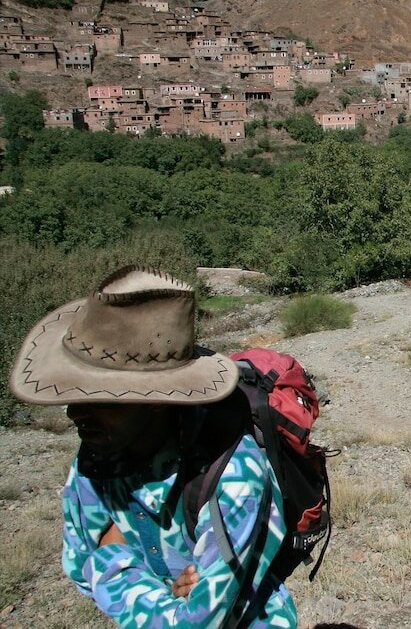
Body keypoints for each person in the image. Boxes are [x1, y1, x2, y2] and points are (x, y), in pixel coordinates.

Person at [8, 266, 296, 627]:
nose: (74, 413)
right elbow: (79, 565)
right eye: (75, 393)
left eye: (102, 398)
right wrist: (162, 596)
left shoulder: (235, 475)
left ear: (159, 397)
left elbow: (199, 623)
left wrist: (112, 554)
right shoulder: (98, 453)